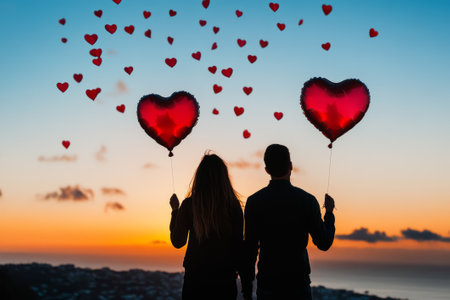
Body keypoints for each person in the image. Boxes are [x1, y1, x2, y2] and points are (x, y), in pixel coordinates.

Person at [242, 144, 335, 300]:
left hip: (268, 285)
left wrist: (247, 290)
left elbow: (250, 250)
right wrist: (329, 214)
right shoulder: (307, 201)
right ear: (290, 166)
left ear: (267, 170)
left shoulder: (254, 202)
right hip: (298, 286)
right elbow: (324, 242)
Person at [169, 153, 248, 300]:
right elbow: (239, 248)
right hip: (224, 281)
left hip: (195, 281)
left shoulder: (189, 205)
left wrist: (175, 211)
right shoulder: (233, 206)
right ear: (223, 178)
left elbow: (178, 241)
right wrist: (246, 285)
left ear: (200, 177)